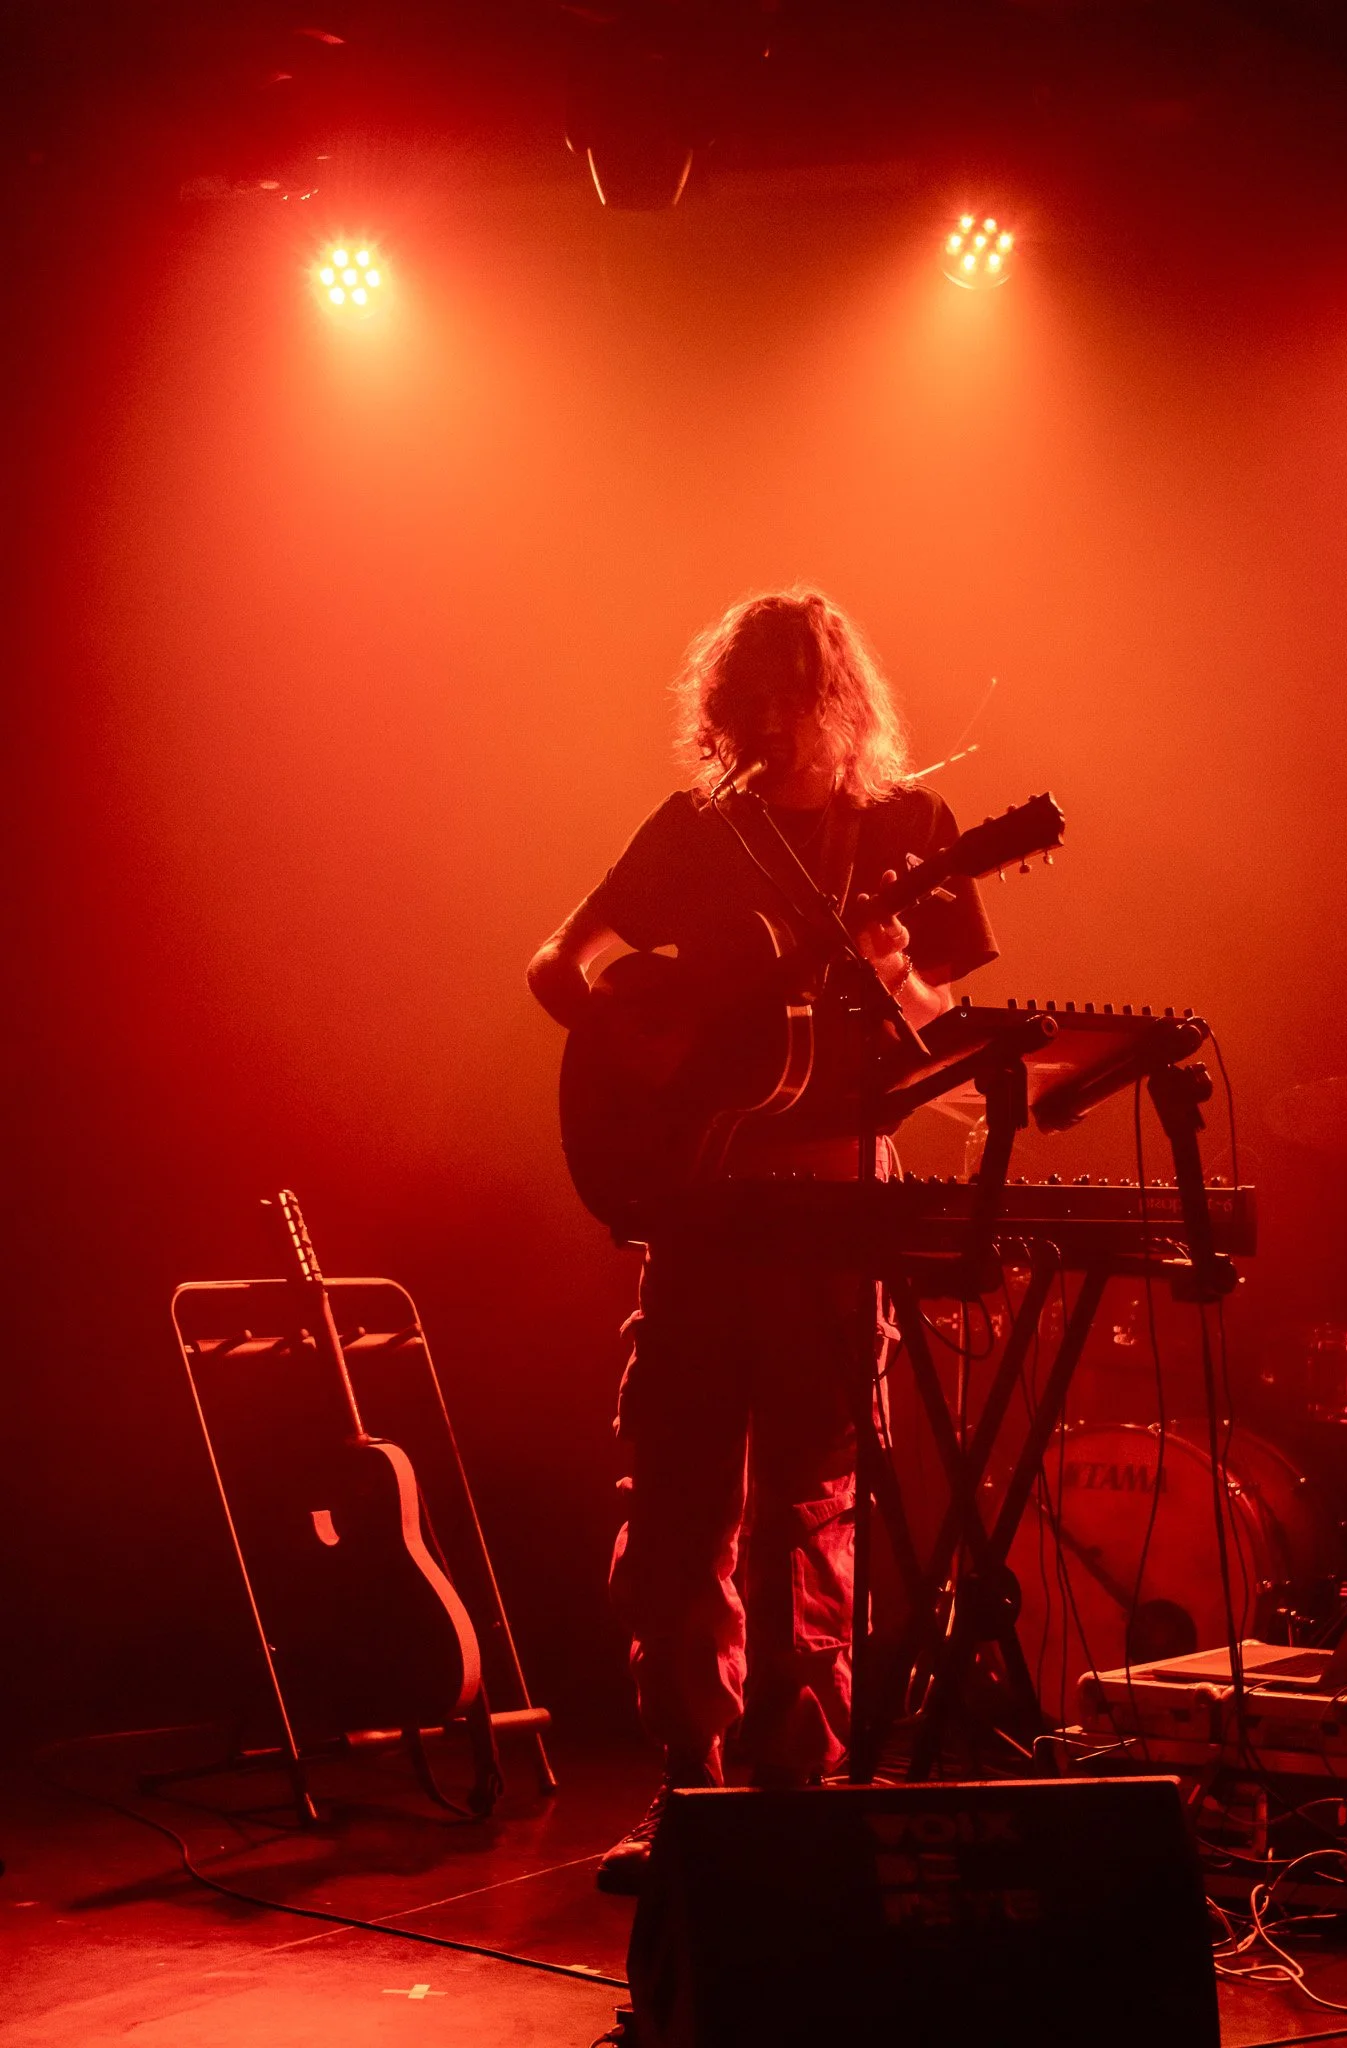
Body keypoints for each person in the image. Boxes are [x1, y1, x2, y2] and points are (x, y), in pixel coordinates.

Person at [527, 588, 998, 1891]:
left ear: (836, 705)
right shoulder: (700, 826)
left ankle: (801, 1786)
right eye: (736, 712)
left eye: (780, 708)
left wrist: (894, 970)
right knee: (677, 1501)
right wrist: (649, 1016)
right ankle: (692, 1779)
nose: (757, 734)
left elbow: (950, 1064)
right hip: (700, 1207)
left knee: (816, 1501)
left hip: (834, 1206)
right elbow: (563, 961)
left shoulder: (907, 831)